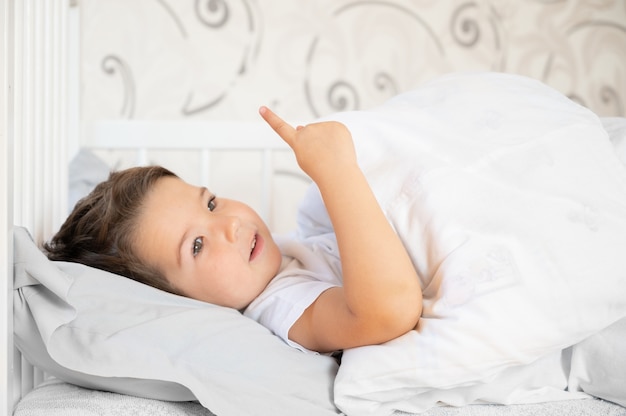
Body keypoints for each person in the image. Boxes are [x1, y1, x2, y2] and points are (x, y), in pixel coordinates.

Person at [44, 106, 423, 354]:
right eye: (196, 245)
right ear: (179, 302)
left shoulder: (286, 258)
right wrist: (337, 172)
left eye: (210, 203)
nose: (229, 224)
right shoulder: (282, 307)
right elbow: (387, 311)